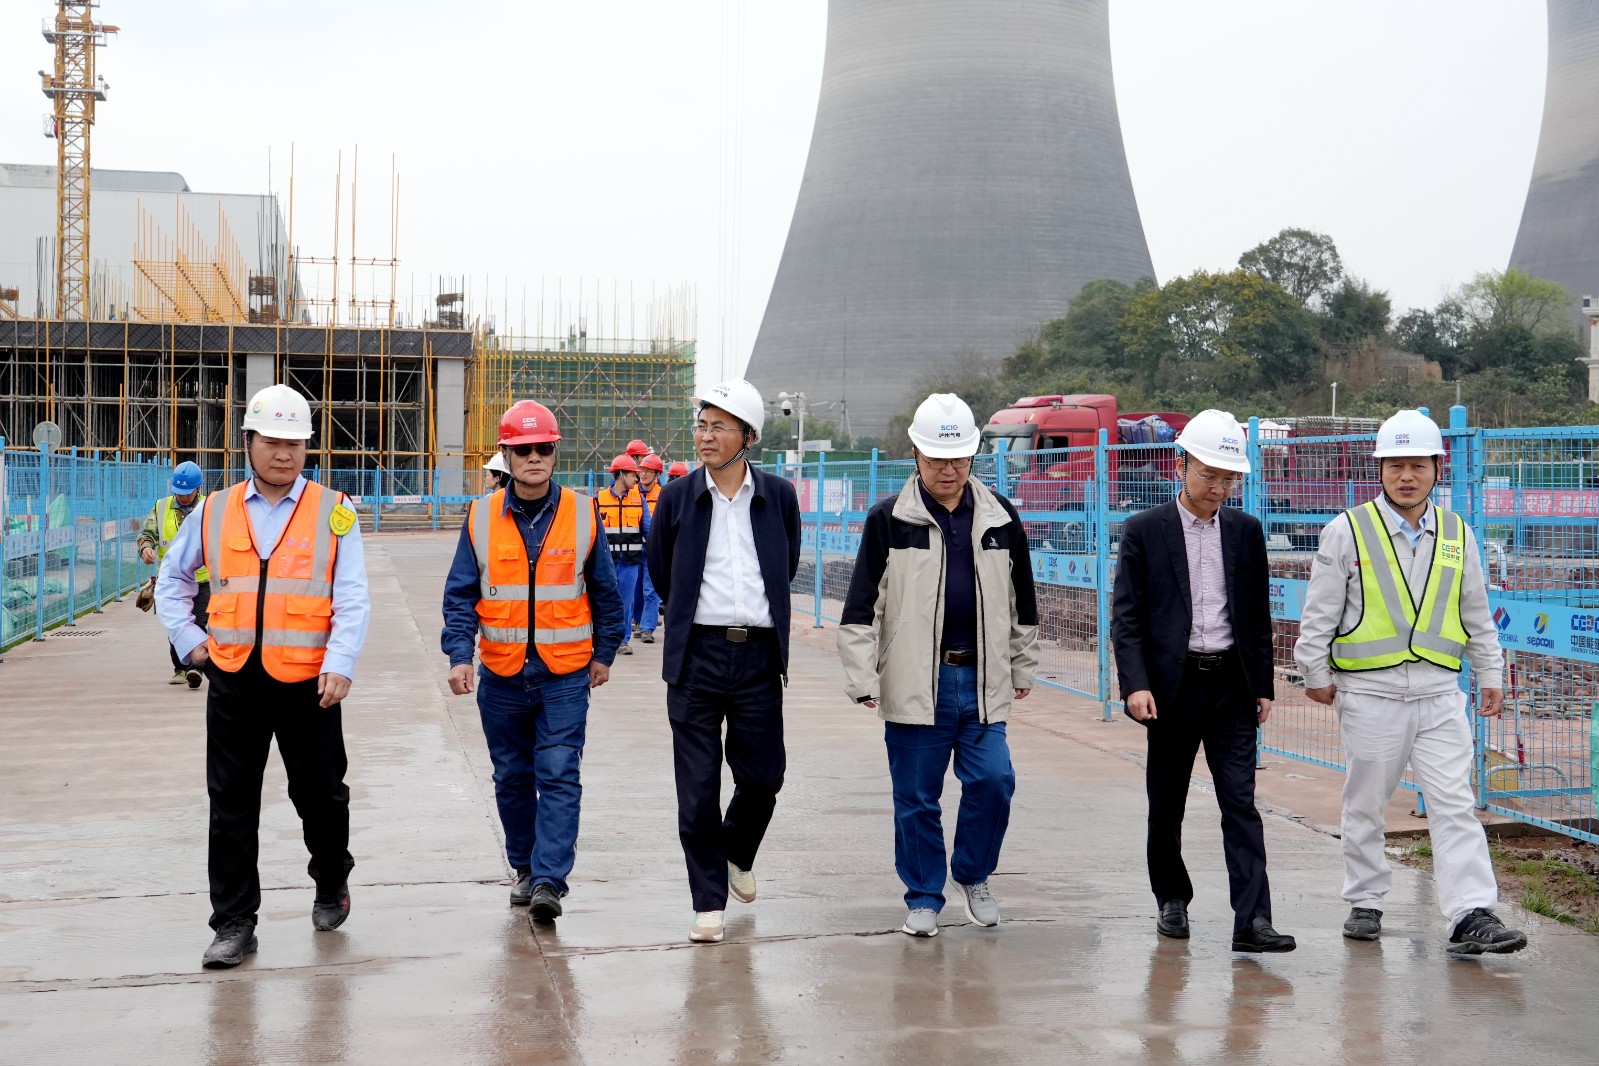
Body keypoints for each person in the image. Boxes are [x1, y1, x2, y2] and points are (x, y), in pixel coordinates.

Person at [1294, 409, 1525, 957]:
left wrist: (1490, 672)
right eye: (1395, 465)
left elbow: (1475, 611)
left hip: (1439, 694)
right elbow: (1319, 613)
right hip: (1371, 694)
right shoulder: (1347, 531)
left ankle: (1470, 913)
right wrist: (1314, 672)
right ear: (1379, 469)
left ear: (1437, 469)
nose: (1406, 476)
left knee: (1455, 804)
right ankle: (1366, 899)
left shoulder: (1456, 533)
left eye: (1417, 465)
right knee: (1366, 803)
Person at [156, 383, 371, 970]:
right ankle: (234, 923)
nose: (284, 453)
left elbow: (351, 595)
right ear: (248, 442)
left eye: (295, 443)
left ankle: (331, 877)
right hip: (234, 679)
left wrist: (341, 662)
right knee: (230, 803)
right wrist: (190, 643)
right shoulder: (213, 510)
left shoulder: (334, 510)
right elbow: (172, 581)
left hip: (310, 682)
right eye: (272, 442)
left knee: (321, 797)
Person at [838, 393, 1039, 937]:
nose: (948, 470)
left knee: (994, 780)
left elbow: (1022, 598)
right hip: (913, 681)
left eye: (958, 459)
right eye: (936, 460)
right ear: (915, 455)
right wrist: (861, 676)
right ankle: (924, 895)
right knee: (916, 798)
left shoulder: (999, 516)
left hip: (981, 679)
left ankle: (972, 874)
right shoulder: (889, 519)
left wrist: (1023, 664)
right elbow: (860, 605)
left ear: (972, 455)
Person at [1111, 409, 1295, 953]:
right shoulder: (1145, 531)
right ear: (1181, 465)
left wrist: (1262, 684)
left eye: (1228, 478)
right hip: (1171, 690)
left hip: (1230, 688)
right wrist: (1134, 685)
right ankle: (1172, 898)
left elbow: (1256, 615)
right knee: (1167, 803)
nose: (1217, 488)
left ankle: (1253, 921)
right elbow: (1127, 617)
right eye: (1208, 475)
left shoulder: (1246, 531)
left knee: (1240, 802)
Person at [441, 400, 625, 926]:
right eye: (523, 450)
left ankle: (549, 880)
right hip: (501, 676)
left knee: (560, 773)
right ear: (507, 455)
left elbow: (606, 593)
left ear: (555, 452)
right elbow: (460, 594)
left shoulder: (583, 514)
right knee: (513, 778)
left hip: (564, 675)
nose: (534, 457)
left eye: (543, 447)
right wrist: (459, 655)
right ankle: (524, 867)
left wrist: (605, 653)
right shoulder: (480, 517)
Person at [646, 379, 800, 944]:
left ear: (748, 436)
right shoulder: (676, 498)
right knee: (697, 787)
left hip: (758, 656)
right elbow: (663, 572)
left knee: (764, 777)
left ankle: (736, 849)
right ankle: (707, 901)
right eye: (702, 425)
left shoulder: (778, 497)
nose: (705, 436)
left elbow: (784, 565)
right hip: (696, 658)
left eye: (719, 426)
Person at [139, 461, 209, 687]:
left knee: (199, 622)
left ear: (198, 488)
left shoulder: (209, 508)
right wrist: (146, 548)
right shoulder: (161, 507)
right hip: (172, 579)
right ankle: (180, 668)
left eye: (188, 493)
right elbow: (147, 533)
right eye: (179, 492)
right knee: (176, 623)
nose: (183, 497)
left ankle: (195, 668)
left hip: (203, 578)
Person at [597, 454, 649, 656]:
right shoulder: (599, 499)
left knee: (626, 603)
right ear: (620, 474)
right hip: (605, 564)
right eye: (633, 475)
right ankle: (603, 639)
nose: (637, 479)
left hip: (630, 563)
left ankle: (623, 641)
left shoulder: (639, 500)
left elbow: (648, 530)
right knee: (604, 602)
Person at [634, 452, 665, 645]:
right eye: (642, 470)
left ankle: (647, 628)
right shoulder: (632, 494)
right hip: (633, 550)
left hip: (654, 550)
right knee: (636, 590)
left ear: (657, 474)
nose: (643, 474)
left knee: (650, 590)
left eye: (648, 471)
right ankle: (637, 622)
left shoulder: (664, 495)